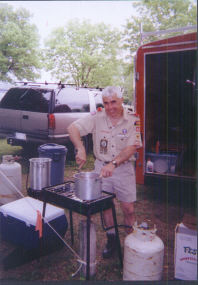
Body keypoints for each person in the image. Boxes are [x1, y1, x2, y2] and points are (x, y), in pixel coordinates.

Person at [67, 86, 142, 258]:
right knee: (106, 206)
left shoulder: (133, 119)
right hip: (101, 168)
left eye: (113, 102)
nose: (109, 107)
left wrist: (114, 164)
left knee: (128, 208)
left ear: (122, 100)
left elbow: (132, 148)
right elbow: (72, 128)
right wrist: (80, 148)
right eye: (106, 103)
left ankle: (131, 245)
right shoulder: (97, 117)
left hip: (123, 169)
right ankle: (112, 240)